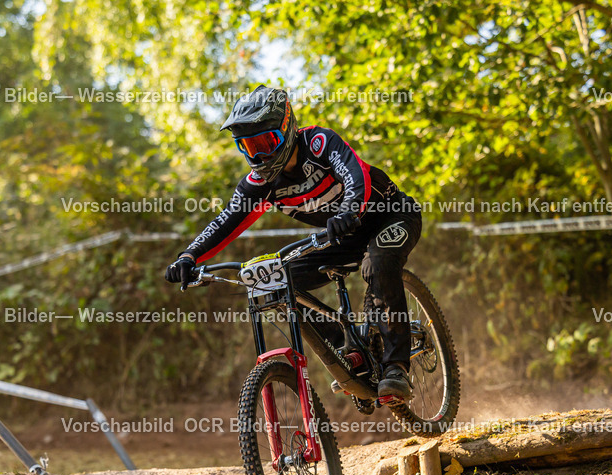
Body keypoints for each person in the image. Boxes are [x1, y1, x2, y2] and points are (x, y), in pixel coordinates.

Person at [164, 85, 421, 400]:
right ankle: (347, 348)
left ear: (287, 129)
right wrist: (189, 256)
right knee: (277, 283)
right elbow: (226, 222)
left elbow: (357, 177)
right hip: (342, 235)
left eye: (265, 143)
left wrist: (349, 211)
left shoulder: (319, 143)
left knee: (378, 264)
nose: (259, 156)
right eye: (248, 147)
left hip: (391, 216)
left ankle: (397, 366)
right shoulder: (260, 184)